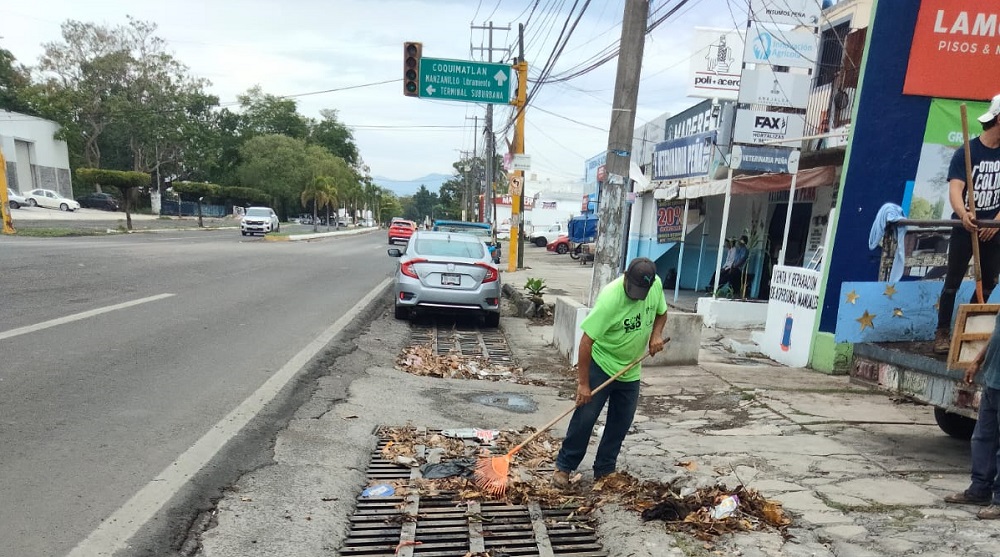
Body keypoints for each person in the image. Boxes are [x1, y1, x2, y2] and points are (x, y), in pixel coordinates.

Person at [552, 257, 668, 488]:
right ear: (625, 276)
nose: (636, 296)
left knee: (620, 423)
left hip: (631, 369)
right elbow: (586, 342)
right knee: (585, 419)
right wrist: (583, 384)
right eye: (633, 290)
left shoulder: (654, 286)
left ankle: (604, 470)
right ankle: (564, 467)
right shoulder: (610, 298)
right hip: (602, 365)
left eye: (641, 292)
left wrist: (656, 335)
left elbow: (661, 314)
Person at [935, 93, 1000, 354]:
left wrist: (995, 221)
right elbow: (955, 190)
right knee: (952, 281)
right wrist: (964, 215)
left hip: (994, 231)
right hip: (965, 228)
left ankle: (970, 331)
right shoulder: (968, 152)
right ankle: (942, 333)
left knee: (989, 282)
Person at [944, 310, 1000, 519]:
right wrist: (977, 361)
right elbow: (997, 333)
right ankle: (979, 490)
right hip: (993, 381)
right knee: (983, 439)